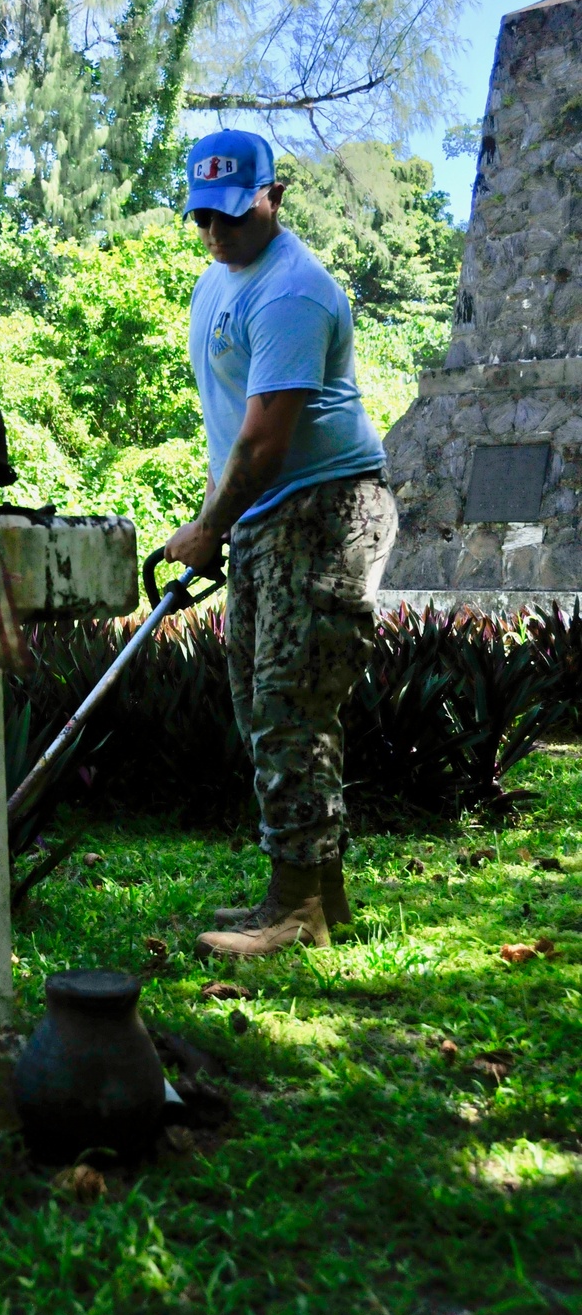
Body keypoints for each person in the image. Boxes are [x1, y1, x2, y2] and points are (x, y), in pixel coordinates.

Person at [164, 130, 398, 960]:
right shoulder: (218, 281)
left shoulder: (292, 290)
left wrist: (207, 527)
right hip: (270, 517)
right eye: (202, 216)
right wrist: (216, 524)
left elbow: (265, 443)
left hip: (326, 513)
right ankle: (318, 897)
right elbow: (234, 436)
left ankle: (296, 909)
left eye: (234, 212)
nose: (217, 230)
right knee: (265, 712)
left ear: (275, 195)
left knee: (290, 709)